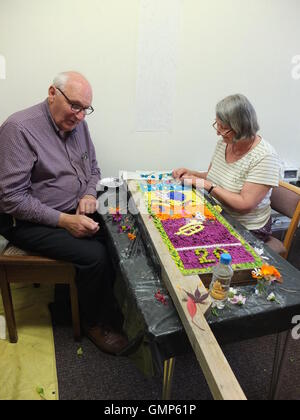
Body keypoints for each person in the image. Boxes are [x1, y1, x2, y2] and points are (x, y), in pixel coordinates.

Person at [0, 71, 128, 355]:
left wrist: (88, 194)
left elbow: (94, 169)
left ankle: (77, 304)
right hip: (25, 221)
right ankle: (93, 322)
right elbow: (11, 199)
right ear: (52, 93)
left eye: (86, 109)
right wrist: (65, 221)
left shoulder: (78, 124)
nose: (81, 116)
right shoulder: (18, 129)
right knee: (94, 255)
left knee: (120, 229)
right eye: (75, 106)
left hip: (73, 205)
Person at [173, 94, 280, 241]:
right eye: (217, 124)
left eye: (223, 128)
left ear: (241, 127)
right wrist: (193, 174)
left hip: (247, 227)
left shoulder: (265, 157)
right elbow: (212, 177)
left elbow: (244, 204)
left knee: (187, 242)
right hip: (218, 213)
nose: (218, 132)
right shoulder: (225, 143)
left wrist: (207, 185)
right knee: (175, 226)